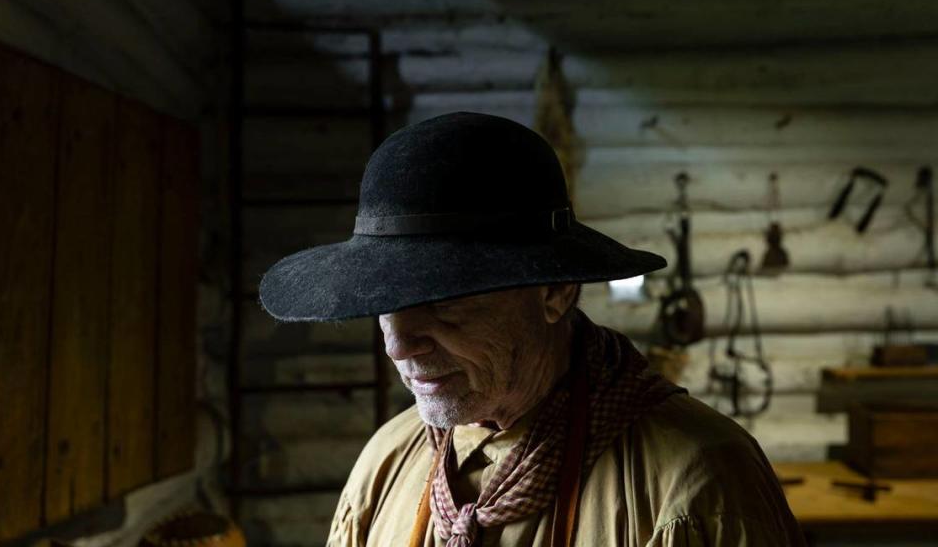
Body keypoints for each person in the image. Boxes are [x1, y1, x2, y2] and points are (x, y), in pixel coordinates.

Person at [259, 112, 806, 546]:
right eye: (386, 305)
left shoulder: (695, 480)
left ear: (555, 292)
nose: (400, 345)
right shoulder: (387, 461)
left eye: (443, 301)